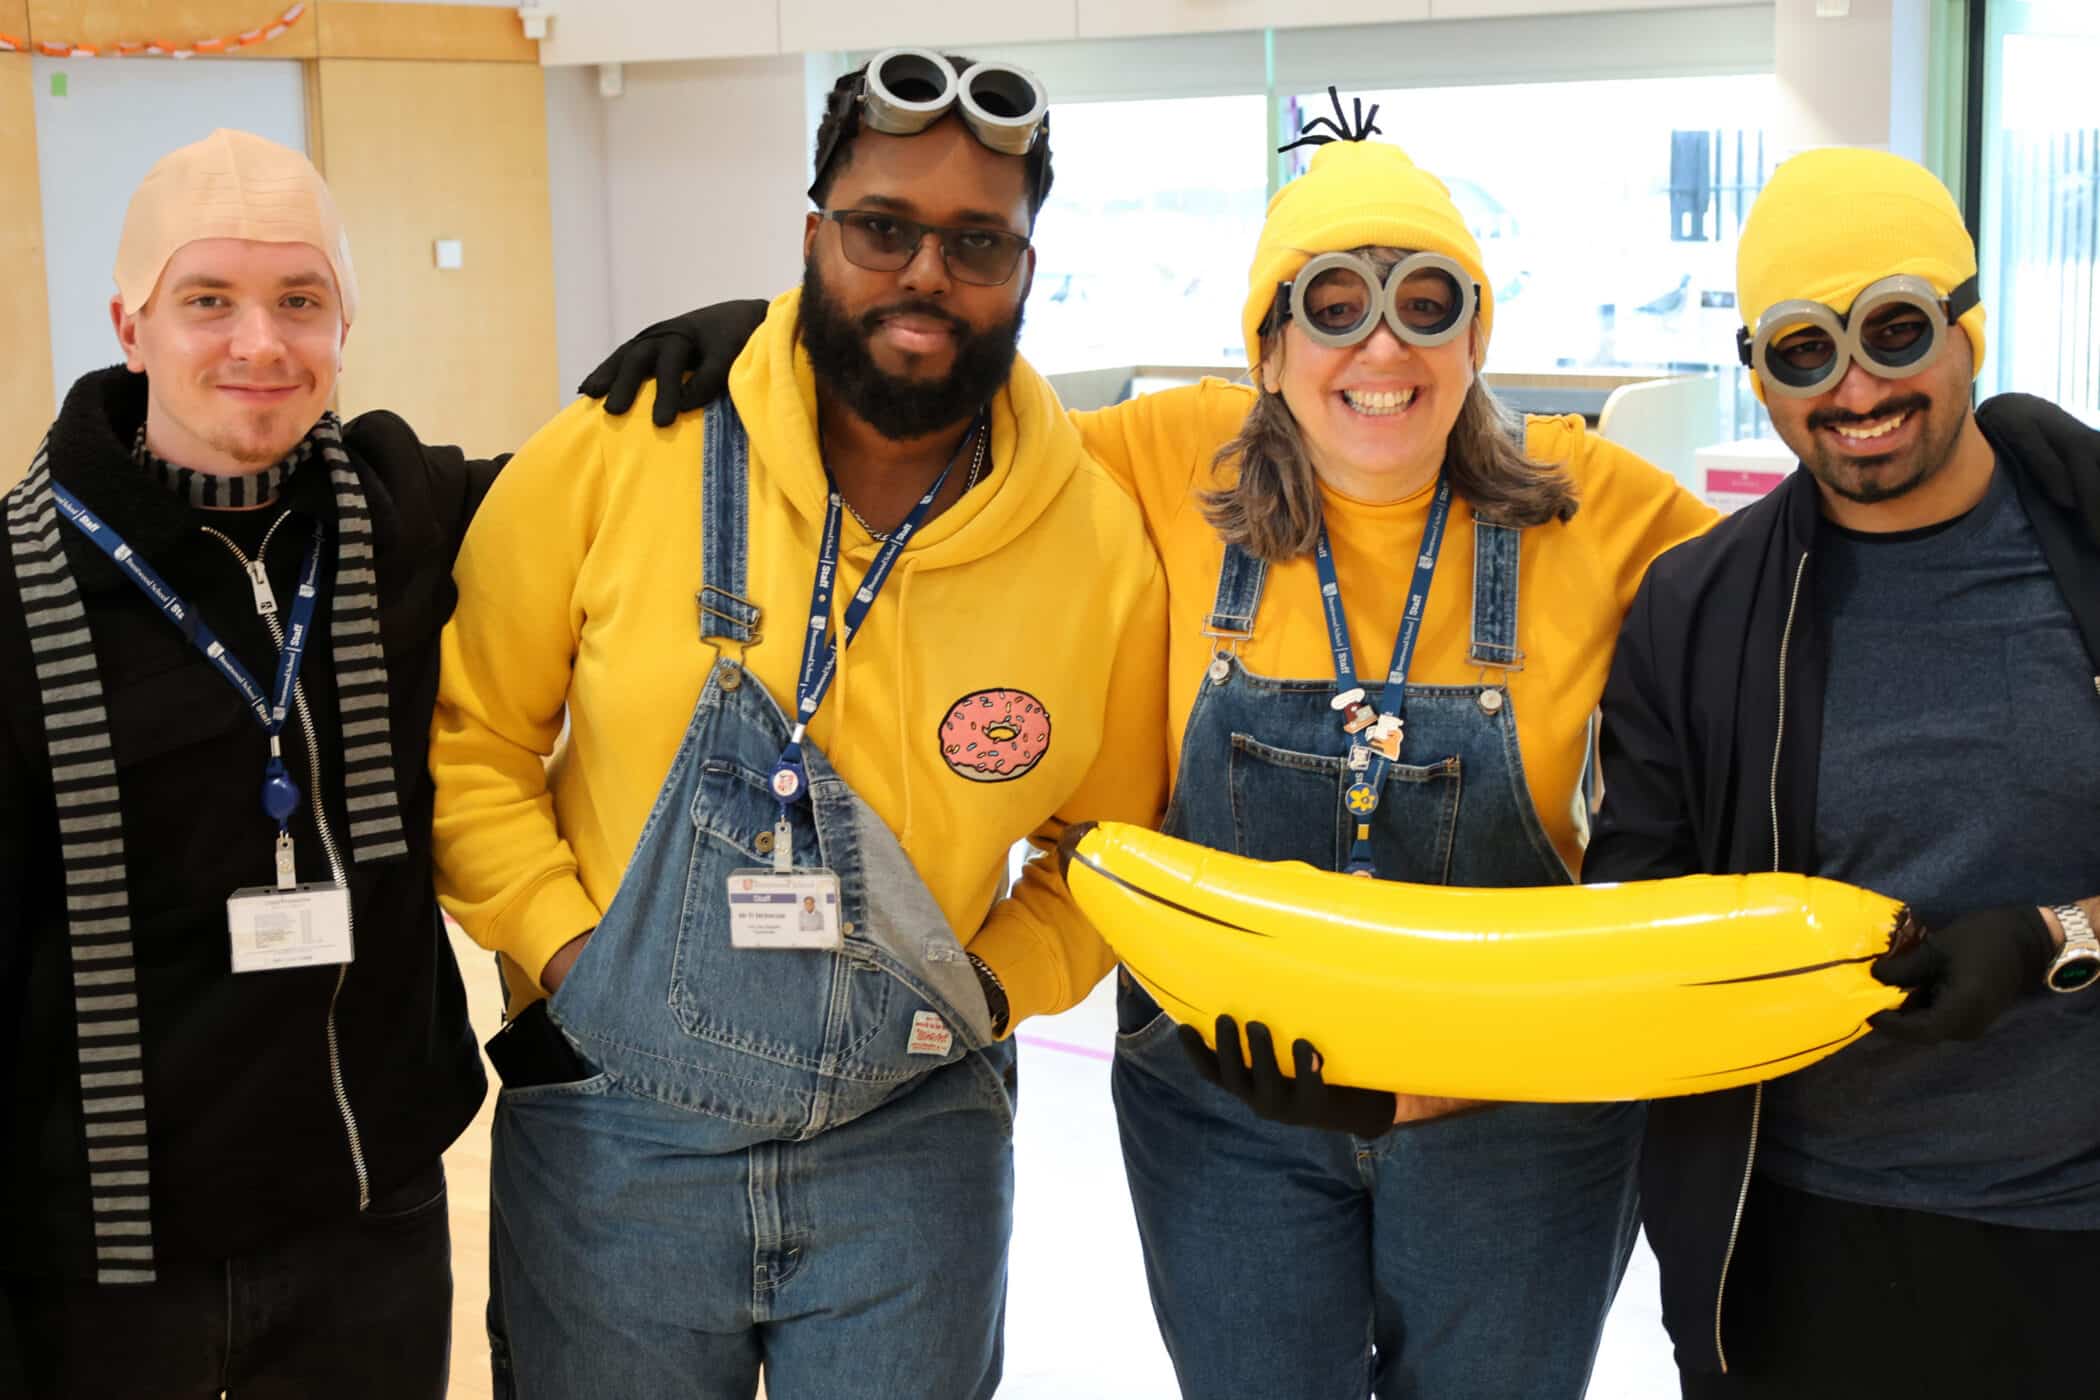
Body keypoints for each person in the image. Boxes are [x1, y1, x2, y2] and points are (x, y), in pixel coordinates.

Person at [605, 102, 1718, 1398]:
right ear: (1267, 346)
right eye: (1334, 304)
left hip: (1513, 1122)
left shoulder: (1594, 501)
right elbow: (924, 420)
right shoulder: (1159, 459)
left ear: (1477, 335)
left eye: (1428, 303)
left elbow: (1798, 585)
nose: (1382, 345)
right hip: (1228, 1108)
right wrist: (777, 346)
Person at [428, 50, 1168, 1400]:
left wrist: (989, 989)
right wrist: (569, 954)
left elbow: (1111, 854)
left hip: (914, 1146)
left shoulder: (1096, 543)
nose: (925, 275)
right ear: (814, 232)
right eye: (883, 227)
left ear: (1027, 268)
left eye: (977, 242)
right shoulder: (620, 447)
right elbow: (470, 742)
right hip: (616, 1133)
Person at [0, 128, 694, 1399]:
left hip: (370, 1224)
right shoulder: (20, 585)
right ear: (130, 325)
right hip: (110, 1261)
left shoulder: (405, 513)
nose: (260, 343)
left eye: (300, 300)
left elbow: (621, 494)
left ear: (345, 323)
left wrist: (735, 342)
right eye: (208, 300)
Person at [1586, 147, 2100, 1399]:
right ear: (1760, 372)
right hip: (1795, 1240)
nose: (1857, 387)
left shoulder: (2088, 548)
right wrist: (1397, 1076)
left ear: (1969, 326)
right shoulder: (1697, 611)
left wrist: (2058, 934)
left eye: (1896, 328)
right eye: (1806, 350)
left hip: (2075, 1228)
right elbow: (1629, 935)